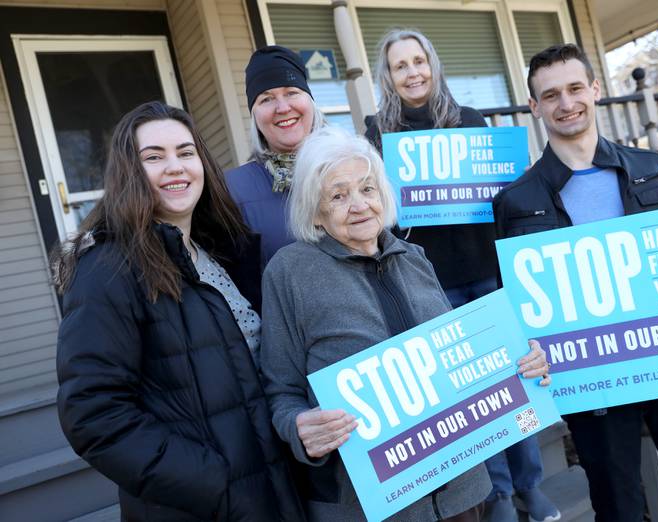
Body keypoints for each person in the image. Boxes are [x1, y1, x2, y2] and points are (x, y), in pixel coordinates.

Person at [493, 43, 658, 522]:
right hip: (592, 381)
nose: (566, 103)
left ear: (596, 90)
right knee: (618, 510)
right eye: (551, 95)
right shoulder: (516, 202)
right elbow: (516, 303)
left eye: (576, 88)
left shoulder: (654, 168)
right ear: (534, 106)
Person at [260, 126, 552, 521]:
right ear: (315, 210)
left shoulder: (414, 257)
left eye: (367, 188)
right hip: (373, 506)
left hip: (461, 493)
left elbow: (464, 357)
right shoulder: (289, 272)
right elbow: (280, 392)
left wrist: (522, 361)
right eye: (338, 195)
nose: (359, 204)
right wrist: (299, 428)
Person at [54, 101, 303, 522]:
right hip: (202, 506)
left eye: (185, 153)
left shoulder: (214, 252)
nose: (175, 167)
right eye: (154, 157)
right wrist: (215, 484)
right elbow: (94, 415)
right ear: (128, 173)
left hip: (269, 487)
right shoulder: (108, 269)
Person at [365, 29, 560, 522]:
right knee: (471, 393)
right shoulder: (377, 137)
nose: (412, 73)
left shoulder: (471, 122)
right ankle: (496, 493)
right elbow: (378, 211)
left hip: (487, 271)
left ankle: (529, 485)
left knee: (514, 378)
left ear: (432, 64)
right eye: (400, 65)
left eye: (419, 61)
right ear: (387, 76)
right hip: (430, 283)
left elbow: (505, 196)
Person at [226, 45, 325, 270]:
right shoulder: (233, 190)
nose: (282, 107)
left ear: (310, 101)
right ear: (255, 116)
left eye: (291, 92)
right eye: (266, 99)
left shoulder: (352, 167)